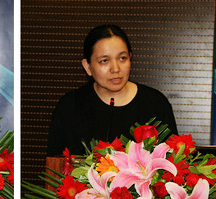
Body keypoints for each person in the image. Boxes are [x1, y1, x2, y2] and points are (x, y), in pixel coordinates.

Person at [47, 24, 177, 156]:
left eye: (122, 58)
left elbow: (173, 161)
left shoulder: (155, 104)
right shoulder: (70, 106)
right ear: (87, 67)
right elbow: (55, 162)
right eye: (104, 61)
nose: (115, 69)